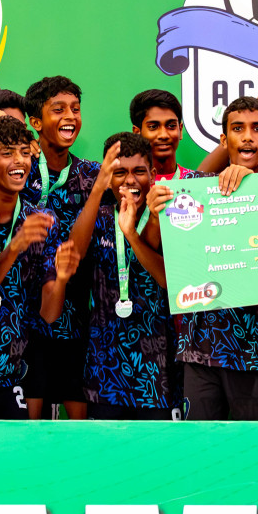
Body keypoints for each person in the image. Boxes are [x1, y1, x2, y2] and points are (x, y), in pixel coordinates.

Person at [155, 97, 258, 420]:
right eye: (237, 129)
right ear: (223, 140)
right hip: (200, 350)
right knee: (202, 455)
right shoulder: (192, 190)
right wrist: (156, 204)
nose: (247, 137)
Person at [47, 133, 175, 419]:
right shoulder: (100, 216)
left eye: (139, 171)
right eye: (119, 173)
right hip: (104, 369)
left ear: (153, 174)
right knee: (107, 460)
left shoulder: (169, 213)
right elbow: (75, 252)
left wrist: (130, 232)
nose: (130, 181)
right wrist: (97, 189)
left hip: (158, 371)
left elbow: (166, 280)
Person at [22, 74, 99, 420]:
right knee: (27, 430)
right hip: (23, 321)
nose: (70, 116)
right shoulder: (19, 172)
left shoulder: (93, 175)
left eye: (76, 109)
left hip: (76, 319)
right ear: (36, 122)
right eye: (58, 109)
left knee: (79, 429)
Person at [0, 115, 54, 419]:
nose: (19, 161)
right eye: (7, 153)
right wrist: (14, 248)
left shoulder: (41, 221)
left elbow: (48, 313)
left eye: (23, 152)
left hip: (14, 368)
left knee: (13, 461)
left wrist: (62, 276)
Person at [131, 90, 189, 180]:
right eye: (153, 127)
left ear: (180, 130)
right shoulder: (123, 184)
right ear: (137, 133)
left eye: (171, 126)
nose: (163, 135)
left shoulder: (202, 182)